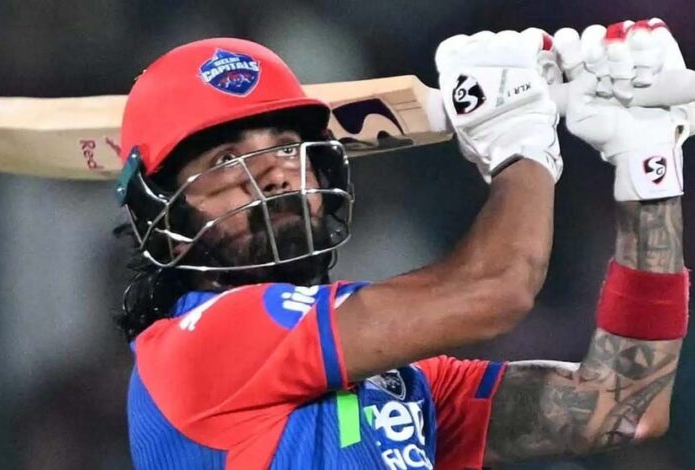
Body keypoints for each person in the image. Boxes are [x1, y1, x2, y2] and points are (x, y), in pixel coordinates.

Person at [114, 19, 690, 470]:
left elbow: (622, 406)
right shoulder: (200, 346)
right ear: (163, 216)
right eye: (227, 159)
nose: (275, 172)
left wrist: (648, 170)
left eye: (287, 146)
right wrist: (520, 144)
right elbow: (496, 290)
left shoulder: (395, 382)